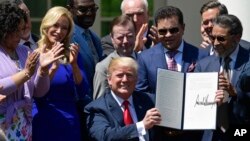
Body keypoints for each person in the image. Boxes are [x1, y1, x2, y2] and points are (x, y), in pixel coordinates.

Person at [135, 6, 208, 140]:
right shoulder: (145, 58)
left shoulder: (201, 56)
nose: (168, 35)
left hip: (193, 133)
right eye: (163, 31)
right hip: (158, 132)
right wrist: (167, 110)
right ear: (157, 30)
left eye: (173, 30)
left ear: (183, 28)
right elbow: (141, 94)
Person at [0, 1, 61, 140]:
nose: (20, 35)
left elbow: (39, 92)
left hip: (23, 125)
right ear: (4, 29)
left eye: (22, 29)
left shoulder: (25, 51)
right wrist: (26, 73)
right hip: (3, 125)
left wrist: (43, 71)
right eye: (16, 30)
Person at [32, 6, 88, 141]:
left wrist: (74, 65)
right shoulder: (35, 55)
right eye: (55, 25)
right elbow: (35, 94)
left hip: (69, 123)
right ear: (46, 26)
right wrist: (50, 70)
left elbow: (82, 92)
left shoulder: (72, 55)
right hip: (44, 121)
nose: (59, 31)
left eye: (64, 28)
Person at [195, 14, 250, 141]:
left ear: (237, 38)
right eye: (213, 38)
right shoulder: (203, 65)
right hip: (211, 136)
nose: (215, 43)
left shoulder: (248, 61)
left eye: (221, 39)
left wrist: (235, 93)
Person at [85, 57, 161, 141]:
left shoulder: (149, 100)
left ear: (136, 80)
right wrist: (142, 125)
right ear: (109, 80)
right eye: (119, 75)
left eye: (129, 75)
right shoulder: (97, 108)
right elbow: (104, 136)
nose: (125, 80)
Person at [93, 15, 138, 99]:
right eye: (120, 37)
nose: (125, 41)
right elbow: (99, 104)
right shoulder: (103, 68)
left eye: (130, 36)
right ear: (112, 38)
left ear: (136, 35)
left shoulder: (144, 62)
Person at [67, 0, 104, 98]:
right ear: (70, 10)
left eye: (93, 9)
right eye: (82, 10)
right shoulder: (67, 37)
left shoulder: (94, 38)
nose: (89, 13)